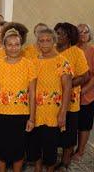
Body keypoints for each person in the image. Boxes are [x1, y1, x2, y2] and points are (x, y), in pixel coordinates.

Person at [0, 28, 36, 172]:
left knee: (18, 149)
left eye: (16, 44)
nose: (13, 48)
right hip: (0, 114)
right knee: (1, 149)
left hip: (21, 114)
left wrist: (32, 118)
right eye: (10, 44)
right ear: (4, 46)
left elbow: (32, 94)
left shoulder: (29, 64)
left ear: (21, 45)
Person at [27, 28, 72, 172]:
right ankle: (38, 168)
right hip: (35, 111)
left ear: (54, 41)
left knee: (50, 147)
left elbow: (67, 90)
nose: (44, 43)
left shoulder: (62, 62)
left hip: (53, 112)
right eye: (41, 40)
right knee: (34, 144)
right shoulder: (32, 62)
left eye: (48, 40)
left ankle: (50, 169)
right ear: (37, 43)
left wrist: (63, 113)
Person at [54, 22, 89, 170]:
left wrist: (67, 85)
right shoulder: (51, 51)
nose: (56, 35)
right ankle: (52, 158)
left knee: (68, 133)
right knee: (53, 131)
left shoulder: (76, 52)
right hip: (51, 101)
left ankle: (65, 161)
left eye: (60, 33)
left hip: (70, 102)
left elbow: (85, 75)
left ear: (68, 37)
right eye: (56, 32)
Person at [73, 24, 94, 161]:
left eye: (86, 32)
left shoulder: (92, 51)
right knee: (72, 124)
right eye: (80, 32)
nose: (83, 34)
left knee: (84, 125)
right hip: (72, 94)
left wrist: (83, 91)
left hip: (88, 94)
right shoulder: (72, 50)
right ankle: (70, 149)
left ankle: (80, 152)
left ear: (89, 35)